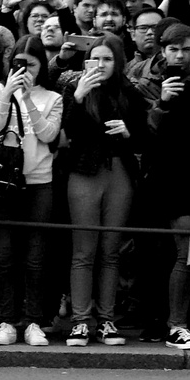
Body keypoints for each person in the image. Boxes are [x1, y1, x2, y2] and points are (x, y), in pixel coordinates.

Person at [62, 35, 148, 346]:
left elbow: (143, 139)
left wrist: (128, 132)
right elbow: (67, 133)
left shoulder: (130, 92)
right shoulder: (76, 88)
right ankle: (81, 320)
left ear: (118, 61)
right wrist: (80, 97)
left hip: (119, 172)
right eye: (95, 59)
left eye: (107, 59)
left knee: (111, 250)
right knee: (84, 250)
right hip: (84, 171)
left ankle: (107, 320)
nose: (100, 65)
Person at [0, 35, 64, 347]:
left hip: (39, 183)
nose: (24, 70)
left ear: (41, 65)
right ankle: (6, 320)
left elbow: (48, 134)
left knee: (35, 257)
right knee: (3, 256)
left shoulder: (52, 97)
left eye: (30, 65)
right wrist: (8, 93)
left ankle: (32, 321)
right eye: (18, 64)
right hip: (4, 184)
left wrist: (28, 99)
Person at [141, 22, 190, 348]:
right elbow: (147, 135)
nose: (181, 55)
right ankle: (176, 324)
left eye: (187, 49)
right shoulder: (150, 84)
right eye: (174, 49)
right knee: (184, 251)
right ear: (163, 51)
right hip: (171, 180)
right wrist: (162, 102)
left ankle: (179, 322)